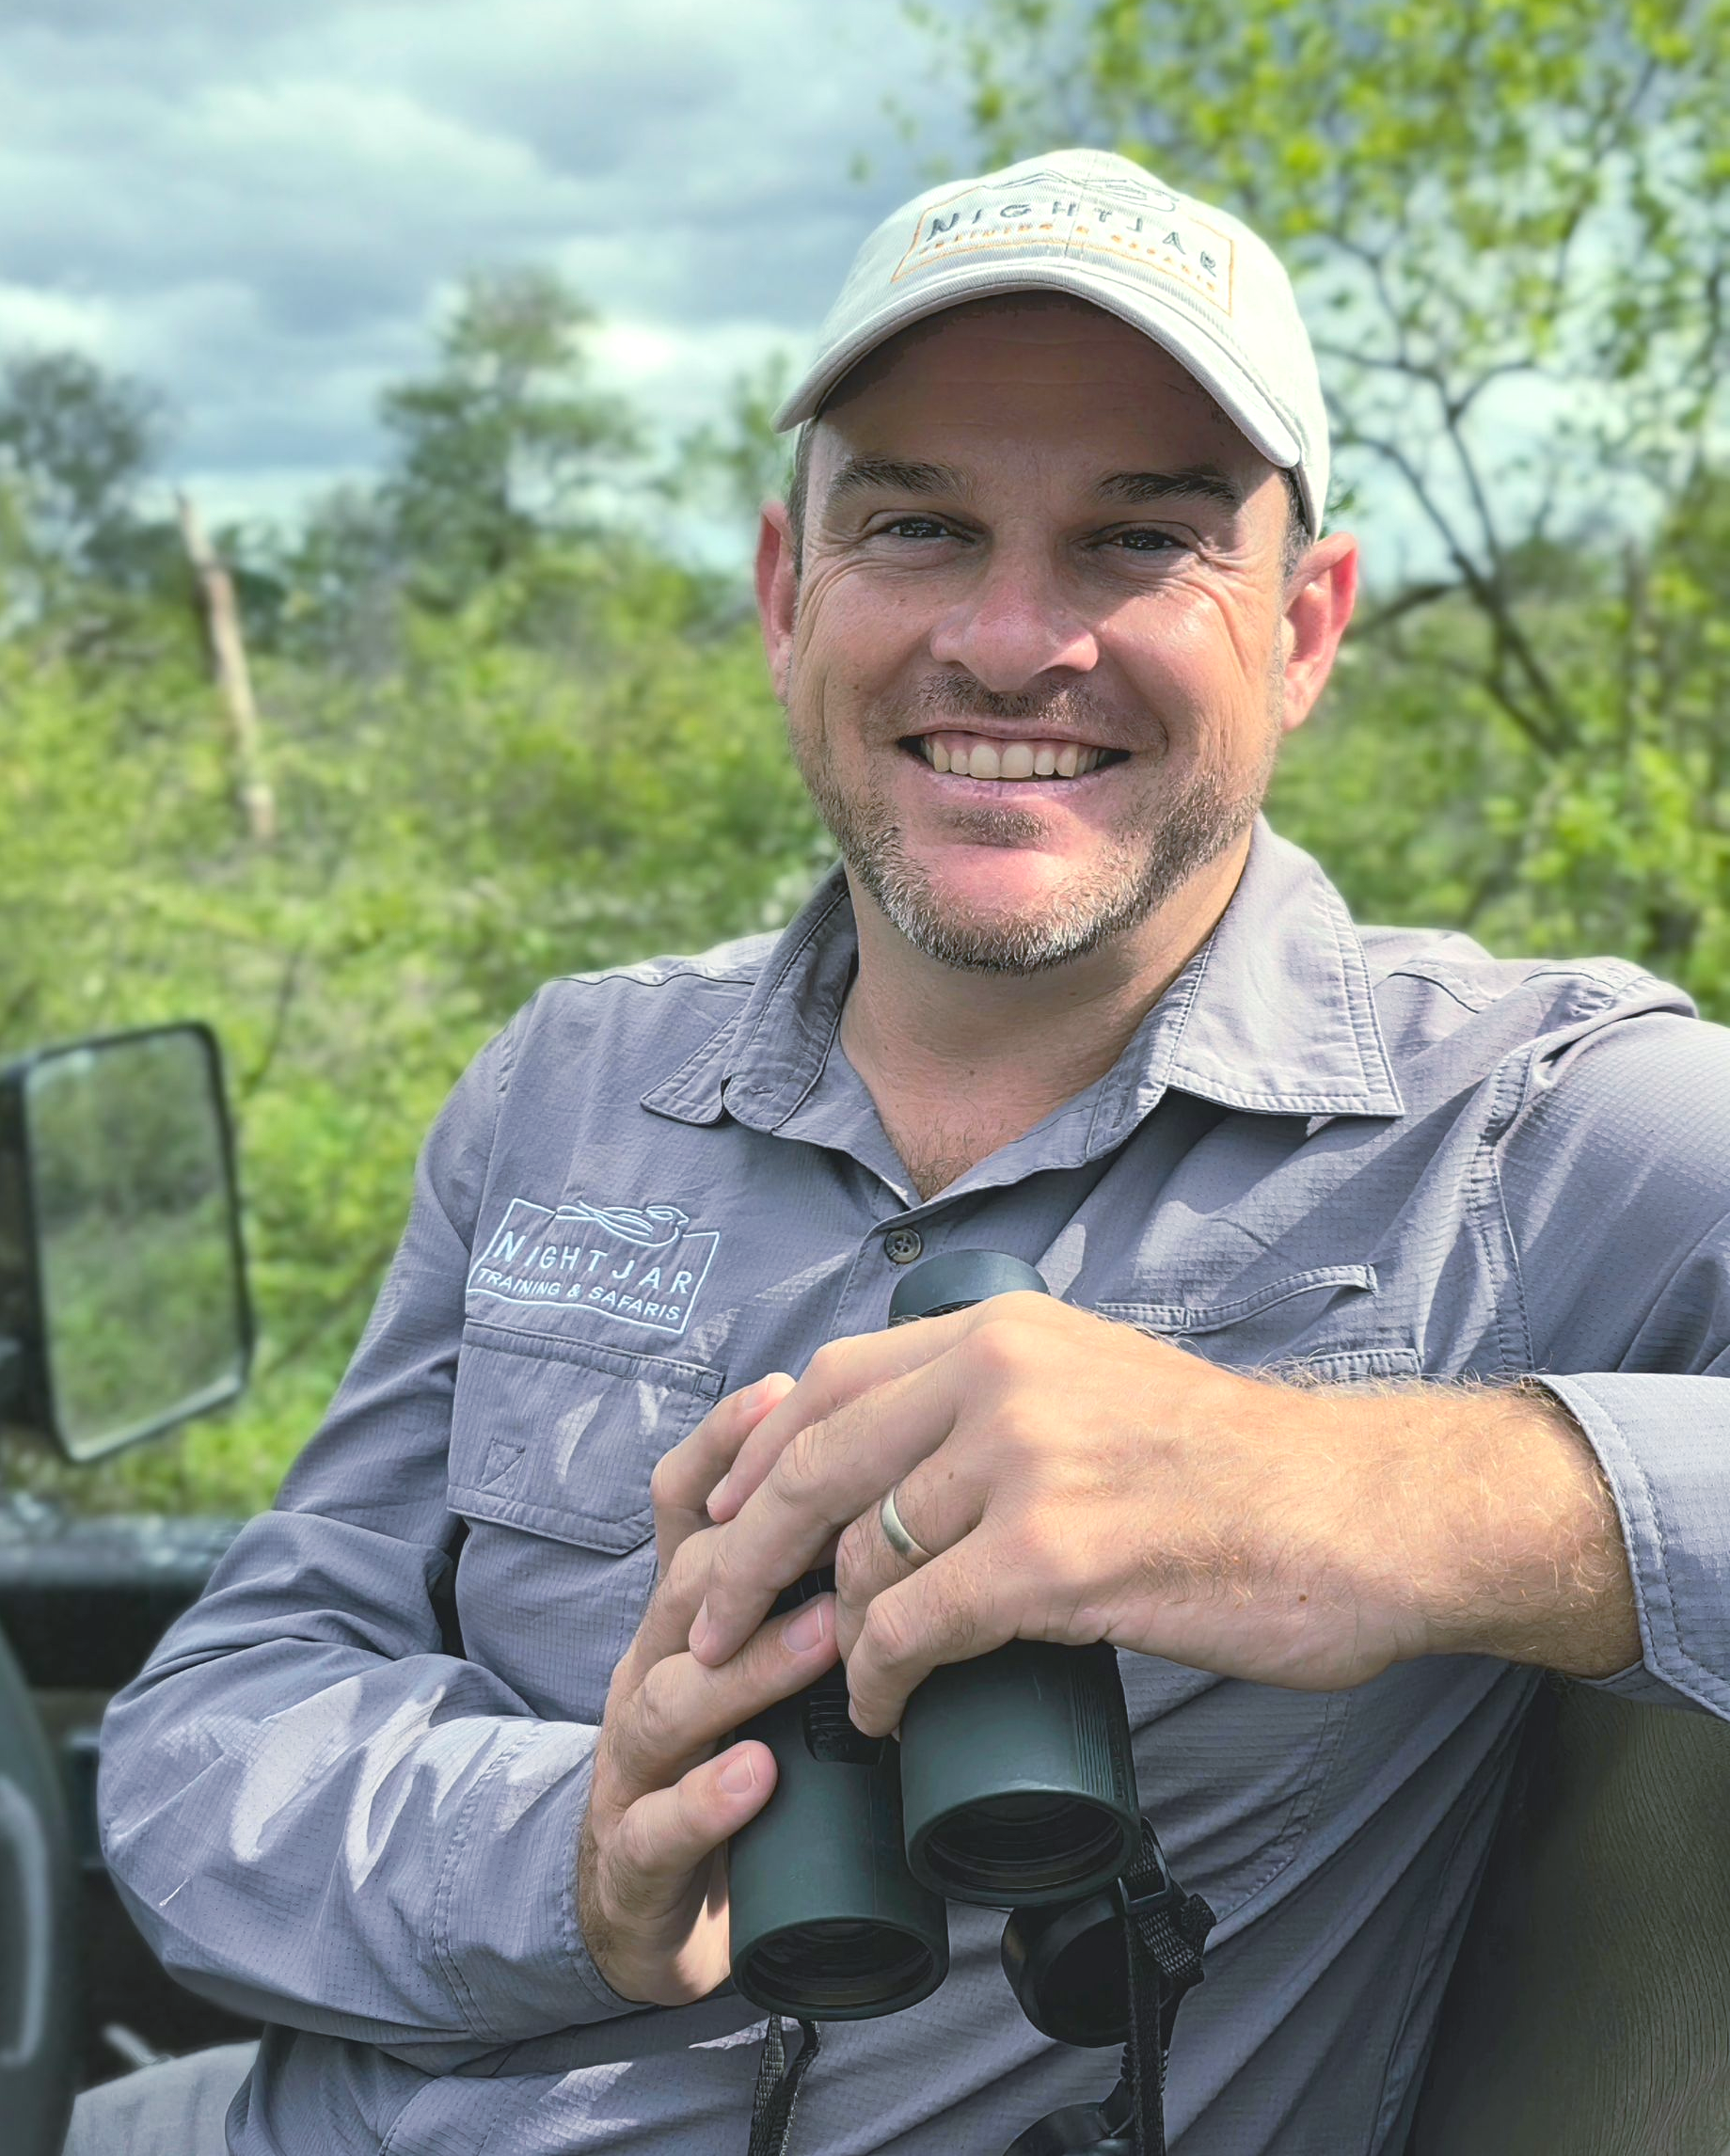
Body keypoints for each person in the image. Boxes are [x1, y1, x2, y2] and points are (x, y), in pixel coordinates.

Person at [87, 148, 1730, 2156]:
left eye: (1140, 539)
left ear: (1305, 630)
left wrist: (1383, 1493)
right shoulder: (569, 1084)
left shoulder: (1527, 1127)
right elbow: (205, 1736)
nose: (1015, 640)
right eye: (921, 525)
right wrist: (580, 1849)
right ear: (791, 594)